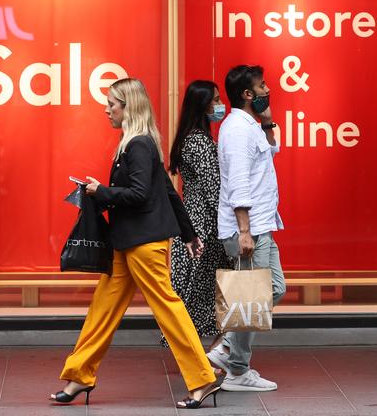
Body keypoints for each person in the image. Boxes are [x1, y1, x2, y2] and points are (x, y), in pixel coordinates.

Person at [50, 78, 220, 409]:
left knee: (167, 308)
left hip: (143, 244)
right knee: (103, 309)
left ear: (128, 107)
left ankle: (202, 378)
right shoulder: (137, 143)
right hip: (128, 243)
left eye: (111, 103)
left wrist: (101, 192)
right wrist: (188, 234)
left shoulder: (138, 145)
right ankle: (79, 376)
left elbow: (141, 194)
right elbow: (167, 192)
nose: (106, 109)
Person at [206, 65, 286, 392]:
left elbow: (272, 149)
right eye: (262, 86)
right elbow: (238, 181)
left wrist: (267, 120)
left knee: (271, 289)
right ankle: (236, 367)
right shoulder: (237, 130)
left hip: (263, 224)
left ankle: (228, 349)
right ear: (248, 94)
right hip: (249, 228)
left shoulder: (249, 125)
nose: (268, 89)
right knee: (255, 295)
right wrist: (244, 230)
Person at [166, 80, 232, 350]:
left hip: (194, 221)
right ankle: (212, 355)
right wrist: (233, 226)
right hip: (204, 224)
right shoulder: (199, 142)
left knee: (196, 290)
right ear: (202, 105)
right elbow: (214, 189)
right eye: (215, 100)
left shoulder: (190, 138)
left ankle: (208, 353)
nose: (220, 105)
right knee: (206, 291)